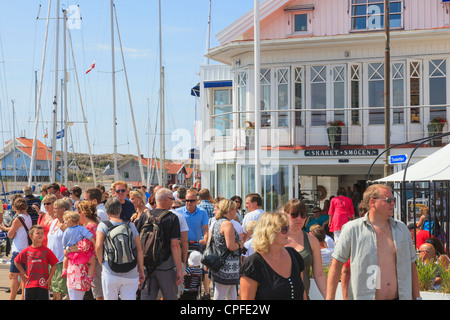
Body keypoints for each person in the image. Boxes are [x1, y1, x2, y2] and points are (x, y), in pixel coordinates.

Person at [326, 184, 420, 300]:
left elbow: (411, 266)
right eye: (388, 200)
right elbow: (336, 267)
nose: (393, 203)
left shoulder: (402, 229)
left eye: (393, 200)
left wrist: (417, 297)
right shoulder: (352, 229)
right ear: (372, 202)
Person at [240, 212, 305, 300]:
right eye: (284, 229)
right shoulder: (253, 264)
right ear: (269, 231)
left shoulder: (294, 255)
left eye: (288, 228)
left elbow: (302, 293)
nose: (288, 232)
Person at [135, 188, 183, 300]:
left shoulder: (144, 216)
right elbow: (175, 245)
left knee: (147, 297)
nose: (173, 201)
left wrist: (139, 266)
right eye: (172, 199)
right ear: (166, 200)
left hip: (147, 265)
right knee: (170, 296)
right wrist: (180, 269)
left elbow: (137, 242)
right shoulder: (172, 218)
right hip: (165, 265)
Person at [96, 197, 145, 300]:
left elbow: (99, 246)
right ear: (120, 210)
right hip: (131, 271)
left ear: (106, 211)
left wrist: (102, 263)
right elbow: (139, 249)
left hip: (110, 270)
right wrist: (141, 269)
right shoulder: (130, 225)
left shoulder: (103, 225)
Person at [284, 198, 327, 299]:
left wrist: (329, 297)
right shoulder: (276, 238)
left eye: (303, 215)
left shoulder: (312, 241)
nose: (299, 218)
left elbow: (319, 274)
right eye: (294, 214)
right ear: (285, 214)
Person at [207, 199, 242, 300]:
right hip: (226, 265)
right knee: (220, 295)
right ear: (230, 210)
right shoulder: (227, 224)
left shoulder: (217, 222)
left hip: (221, 263)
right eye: (235, 209)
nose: (236, 211)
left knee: (231, 294)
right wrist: (239, 244)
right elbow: (230, 245)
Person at [14, 224, 59, 300]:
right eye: (37, 233)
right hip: (29, 284)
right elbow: (16, 261)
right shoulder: (26, 251)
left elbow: (54, 265)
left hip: (43, 284)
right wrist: (22, 272)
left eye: (42, 233)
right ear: (31, 236)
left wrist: (49, 279)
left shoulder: (47, 251)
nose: (40, 235)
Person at [2, 197, 32, 300]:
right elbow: (18, 229)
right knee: (23, 275)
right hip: (26, 248)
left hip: (18, 249)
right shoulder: (27, 217)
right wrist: (8, 228)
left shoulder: (18, 218)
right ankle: (23, 297)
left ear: (14, 207)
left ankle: (12, 298)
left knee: (13, 275)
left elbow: (10, 234)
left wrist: (5, 229)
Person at [61, 211, 96, 290]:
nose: (64, 224)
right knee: (93, 262)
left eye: (65, 222)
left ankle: (64, 270)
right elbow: (89, 235)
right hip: (80, 252)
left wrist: (64, 248)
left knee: (65, 257)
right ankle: (89, 278)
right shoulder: (81, 228)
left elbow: (64, 241)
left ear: (70, 222)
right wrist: (94, 242)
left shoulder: (66, 231)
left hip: (70, 252)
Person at [75, 200, 102, 300]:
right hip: (98, 262)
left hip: (93, 264)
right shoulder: (96, 224)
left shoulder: (89, 227)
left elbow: (84, 247)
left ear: (82, 213)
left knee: (98, 293)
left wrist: (71, 248)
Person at [47, 198, 71, 300]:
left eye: (56, 208)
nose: (53, 210)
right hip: (51, 261)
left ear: (64, 209)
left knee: (61, 289)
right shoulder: (54, 221)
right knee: (54, 288)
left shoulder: (69, 224)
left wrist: (64, 228)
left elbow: (73, 238)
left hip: (62, 261)